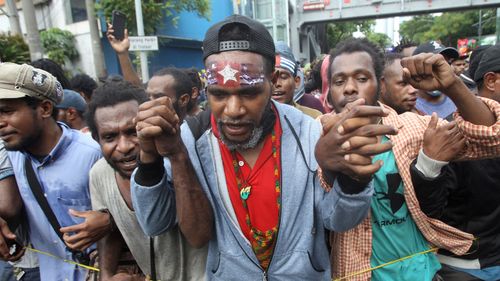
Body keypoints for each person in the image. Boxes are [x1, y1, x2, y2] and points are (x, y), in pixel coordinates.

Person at [131, 15, 390, 280]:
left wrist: (352, 180)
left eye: (248, 93)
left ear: (273, 79)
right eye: (219, 94)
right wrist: (150, 157)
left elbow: (338, 221)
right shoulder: (188, 140)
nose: (233, 110)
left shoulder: (308, 131)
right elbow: (154, 223)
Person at [317, 38, 499, 280]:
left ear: (379, 85)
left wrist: (453, 86)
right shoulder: (313, 137)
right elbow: (325, 218)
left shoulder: (413, 128)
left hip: (421, 272)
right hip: (358, 274)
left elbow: (491, 138)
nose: (350, 88)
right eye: (340, 81)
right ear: (329, 93)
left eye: (361, 78)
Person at [86, 80, 207, 281]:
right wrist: (107, 275)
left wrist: (177, 158)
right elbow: (112, 231)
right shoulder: (99, 175)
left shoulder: (181, 159)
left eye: (133, 132)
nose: (124, 146)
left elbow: (200, 236)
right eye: (110, 137)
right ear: (96, 139)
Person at [0, 63, 111, 280]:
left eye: (7, 111)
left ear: (44, 109)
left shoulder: (93, 154)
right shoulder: (12, 158)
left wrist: (110, 221)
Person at [411, 44, 500, 281]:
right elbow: (430, 210)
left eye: (449, 65)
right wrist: (429, 165)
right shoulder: (451, 134)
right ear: (491, 81)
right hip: (468, 267)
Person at [272, 42, 322, 118]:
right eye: (271, 77)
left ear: (296, 81)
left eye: (283, 77)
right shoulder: (254, 119)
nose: (277, 83)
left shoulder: (313, 118)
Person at [413, 41, 460, 120]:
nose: (440, 70)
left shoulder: (459, 99)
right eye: (434, 65)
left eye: (447, 63)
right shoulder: (408, 106)